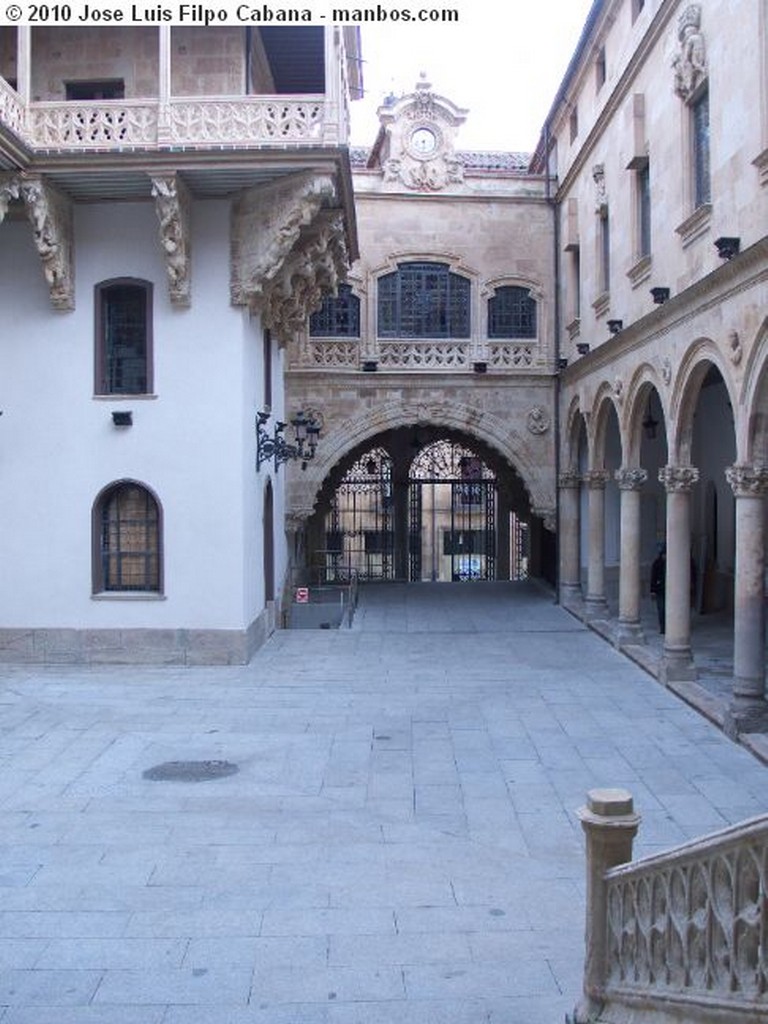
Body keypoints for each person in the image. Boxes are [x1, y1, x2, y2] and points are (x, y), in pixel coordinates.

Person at [650, 544, 666, 634]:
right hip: (660, 590)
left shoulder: (672, 563)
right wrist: (652, 590)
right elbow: (653, 577)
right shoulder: (657, 563)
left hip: (670, 591)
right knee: (661, 609)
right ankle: (663, 628)